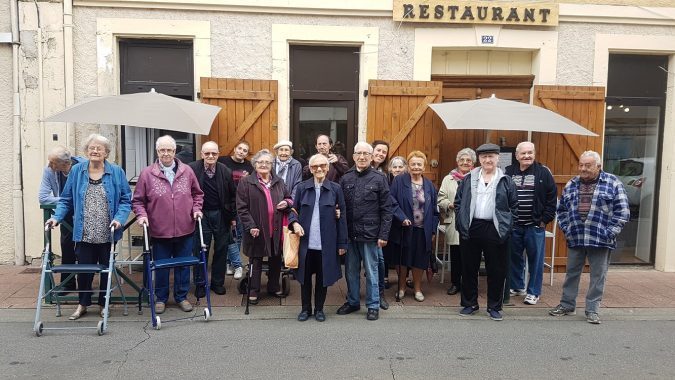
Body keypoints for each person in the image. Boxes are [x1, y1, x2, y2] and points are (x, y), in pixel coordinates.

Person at [46, 134, 132, 320]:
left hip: (107, 230)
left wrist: (119, 218)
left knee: (105, 269)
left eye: (99, 148)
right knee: (84, 270)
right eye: (92, 148)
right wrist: (56, 218)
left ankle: (103, 303)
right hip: (83, 231)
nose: (95, 151)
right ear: (86, 151)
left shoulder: (117, 172)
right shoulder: (77, 171)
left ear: (106, 153)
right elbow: (66, 199)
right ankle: (82, 304)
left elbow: (126, 199)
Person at [549, 150, 630, 324]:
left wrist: (611, 232)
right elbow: (561, 210)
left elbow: (622, 211)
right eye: (581, 165)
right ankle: (567, 305)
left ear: (599, 166)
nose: (583, 169)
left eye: (588, 165)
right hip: (576, 237)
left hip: (601, 239)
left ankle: (592, 310)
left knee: (598, 275)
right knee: (571, 273)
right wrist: (566, 229)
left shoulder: (613, 182)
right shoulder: (572, 184)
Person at [133, 135, 204, 314]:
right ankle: (161, 298)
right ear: (157, 152)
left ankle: (181, 296)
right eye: (162, 150)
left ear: (175, 151)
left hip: (185, 227)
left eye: (169, 150)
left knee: (183, 265)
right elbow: (138, 200)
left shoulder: (187, 171)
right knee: (161, 266)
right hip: (159, 230)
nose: (166, 153)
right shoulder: (147, 173)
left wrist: (196, 209)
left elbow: (198, 194)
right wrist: (141, 215)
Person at [455, 143, 517, 321]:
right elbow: (458, 202)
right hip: (472, 227)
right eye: (484, 157)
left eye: (491, 156)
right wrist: (461, 221)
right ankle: (469, 304)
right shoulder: (468, 178)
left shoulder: (506, 180)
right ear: (479, 159)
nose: (487, 160)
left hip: (496, 229)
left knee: (496, 270)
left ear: (498, 158)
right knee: (468, 268)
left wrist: (507, 226)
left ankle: (494, 307)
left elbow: (514, 207)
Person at [289, 154, 348, 322]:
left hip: (326, 243)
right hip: (306, 243)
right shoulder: (302, 187)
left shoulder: (336, 189)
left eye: (323, 165)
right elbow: (293, 211)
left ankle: (320, 309)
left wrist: (342, 242)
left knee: (323, 278)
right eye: (315, 167)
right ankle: (305, 309)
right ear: (310, 169)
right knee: (304, 279)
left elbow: (342, 216)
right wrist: (294, 224)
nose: (319, 169)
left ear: (328, 167)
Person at [337, 142, 392, 321]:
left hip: (370, 234)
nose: (362, 157)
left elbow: (387, 209)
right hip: (350, 235)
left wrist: (384, 235)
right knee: (351, 271)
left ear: (371, 157)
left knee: (372, 270)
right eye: (358, 153)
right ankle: (353, 302)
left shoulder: (379, 178)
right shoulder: (345, 178)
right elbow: (341, 207)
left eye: (365, 154)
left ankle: (373, 305)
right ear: (353, 156)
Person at [236, 149, 294, 304]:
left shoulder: (279, 181)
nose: (264, 165)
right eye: (260, 162)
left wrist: (287, 203)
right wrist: (250, 226)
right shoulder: (246, 182)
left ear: (271, 165)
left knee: (275, 257)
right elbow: (241, 208)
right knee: (256, 259)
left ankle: (273, 287)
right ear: (255, 164)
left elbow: (289, 198)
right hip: (257, 228)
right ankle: (253, 290)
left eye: (267, 162)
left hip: (275, 228)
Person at [505, 141, 557, 305]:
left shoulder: (543, 173)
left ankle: (534, 292)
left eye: (530, 153)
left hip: (534, 225)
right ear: (517, 156)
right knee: (514, 257)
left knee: (536, 260)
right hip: (514, 225)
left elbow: (551, 199)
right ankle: (517, 286)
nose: (527, 156)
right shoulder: (508, 172)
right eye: (523, 153)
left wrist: (544, 221)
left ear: (534, 154)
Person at [188, 141, 238, 298]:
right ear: (202, 154)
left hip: (221, 215)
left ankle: (217, 283)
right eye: (207, 153)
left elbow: (232, 195)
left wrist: (232, 216)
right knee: (200, 249)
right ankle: (200, 284)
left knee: (221, 250)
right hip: (200, 215)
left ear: (218, 154)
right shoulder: (191, 169)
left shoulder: (225, 170)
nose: (210, 156)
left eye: (214, 153)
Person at [390, 151, 439, 302]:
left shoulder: (429, 185)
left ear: (424, 166)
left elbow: (435, 211)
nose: (416, 167)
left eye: (419, 164)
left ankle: (417, 288)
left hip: (422, 230)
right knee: (403, 259)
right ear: (408, 166)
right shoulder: (399, 181)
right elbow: (391, 201)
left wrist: (432, 230)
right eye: (413, 164)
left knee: (420, 260)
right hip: (404, 228)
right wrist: (401, 217)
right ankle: (402, 287)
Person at [39, 146, 85, 293]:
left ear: (65, 163)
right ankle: (67, 283)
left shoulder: (83, 167)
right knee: (66, 245)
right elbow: (43, 197)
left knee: (84, 248)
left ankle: (85, 284)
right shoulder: (49, 170)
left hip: (84, 213)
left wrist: (71, 201)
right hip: (64, 213)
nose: (50, 165)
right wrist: (67, 200)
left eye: (53, 162)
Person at [438, 147, 476, 296]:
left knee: (471, 255)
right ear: (457, 161)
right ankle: (455, 283)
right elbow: (441, 198)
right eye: (462, 160)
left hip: (473, 221)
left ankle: (469, 284)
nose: (465, 162)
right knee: (456, 255)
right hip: (454, 219)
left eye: (468, 160)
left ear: (473, 162)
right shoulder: (449, 179)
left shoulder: (478, 177)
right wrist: (449, 204)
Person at [218, 140, 252, 275]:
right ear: (234, 148)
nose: (241, 152)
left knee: (237, 234)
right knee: (226, 234)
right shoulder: (222, 161)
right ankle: (228, 263)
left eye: (244, 150)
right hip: (224, 203)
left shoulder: (249, 166)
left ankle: (233, 263)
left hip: (241, 204)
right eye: (239, 148)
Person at [371, 140, 390, 309]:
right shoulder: (360, 167)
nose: (381, 154)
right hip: (360, 224)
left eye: (384, 152)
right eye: (378, 150)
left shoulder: (386, 174)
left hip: (377, 224)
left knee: (380, 261)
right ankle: (353, 295)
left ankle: (380, 294)